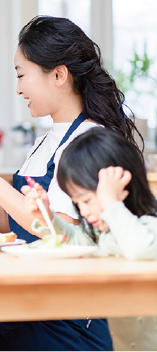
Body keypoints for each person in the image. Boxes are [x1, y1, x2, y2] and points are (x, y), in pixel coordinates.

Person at [0, 15, 141, 351]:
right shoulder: (46, 140)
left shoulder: (90, 142)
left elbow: (58, 233)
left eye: (22, 75)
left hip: (70, 323)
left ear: (59, 75)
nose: (18, 89)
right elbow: (22, 223)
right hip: (28, 306)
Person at [23, 127, 157, 351]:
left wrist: (110, 202)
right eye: (78, 203)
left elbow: (139, 248)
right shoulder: (106, 235)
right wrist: (46, 216)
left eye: (86, 200)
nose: (83, 212)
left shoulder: (148, 227)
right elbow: (73, 239)